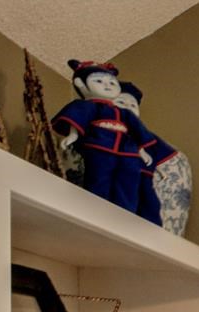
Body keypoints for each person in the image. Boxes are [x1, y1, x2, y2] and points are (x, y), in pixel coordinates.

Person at [55, 60, 181, 225]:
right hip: (100, 146)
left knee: (128, 182)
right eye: (99, 81)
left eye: (111, 82)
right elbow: (78, 115)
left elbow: (138, 130)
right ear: (81, 84)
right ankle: (95, 213)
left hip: (127, 151)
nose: (107, 85)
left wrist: (142, 149)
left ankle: (125, 217)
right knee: (99, 178)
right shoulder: (89, 106)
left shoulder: (124, 114)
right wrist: (73, 134)